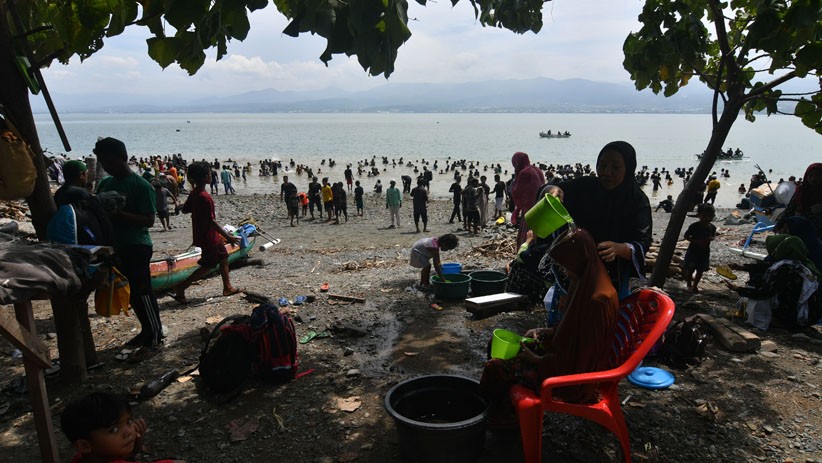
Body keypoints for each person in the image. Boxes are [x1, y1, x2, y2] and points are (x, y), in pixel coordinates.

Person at [479, 228, 618, 427]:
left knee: (495, 368)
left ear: (578, 260)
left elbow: (582, 360)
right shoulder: (584, 281)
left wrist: (536, 360)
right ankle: (506, 407)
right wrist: (547, 332)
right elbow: (573, 332)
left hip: (572, 380)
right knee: (495, 343)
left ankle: (502, 418)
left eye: (565, 265)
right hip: (558, 359)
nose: (562, 270)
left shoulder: (598, 300)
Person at [540, 141, 651, 299]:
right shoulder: (585, 186)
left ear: (629, 168)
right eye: (602, 165)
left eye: (616, 167)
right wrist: (552, 191)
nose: (607, 172)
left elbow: (642, 242)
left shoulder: (637, 201)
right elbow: (550, 189)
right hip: (573, 268)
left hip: (612, 274)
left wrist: (619, 248)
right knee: (569, 311)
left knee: (602, 312)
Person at [94, 138, 164, 363]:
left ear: (124, 158)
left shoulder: (140, 186)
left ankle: (155, 335)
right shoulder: (105, 185)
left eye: (110, 161)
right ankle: (146, 330)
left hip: (137, 245)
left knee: (143, 290)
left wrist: (118, 215)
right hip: (114, 246)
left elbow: (148, 220)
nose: (107, 166)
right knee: (131, 292)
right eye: (103, 162)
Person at [172, 161, 240, 303]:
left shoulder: (195, 193)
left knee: (223, 257)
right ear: (204, 177)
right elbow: (211, 221)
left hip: (206, 234)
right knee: (209, 264)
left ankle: (227, 287)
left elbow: (185, 210)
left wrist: (183, 206)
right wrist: (229, 236)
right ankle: (181, 287)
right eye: (209, 174)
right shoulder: (205, 197)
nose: (211, 176)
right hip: (208, 236)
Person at [61, 391, 185, 463]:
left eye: (129, 422)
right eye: (113, 430)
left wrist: (137, 438)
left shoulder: (85, 458)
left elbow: (129, 455)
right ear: (84, 445)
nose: (128, 432)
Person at [511, 152, 546, 247]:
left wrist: (517, 209)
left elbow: (517, 193)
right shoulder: (537, 170)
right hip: (540, 207)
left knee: (526, 237)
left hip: (529, 210)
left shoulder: (524, 173)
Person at [681, 203, 716, 292]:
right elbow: (686, 236)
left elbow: (712, 236)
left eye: (710, 216)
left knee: (700, 270)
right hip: (694, 250)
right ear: (698, 215)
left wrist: (711, 239)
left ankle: (695, 285)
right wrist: (696, 242)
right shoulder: (694, 226)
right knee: (691, 268)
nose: (707, 218)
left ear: (713, 216)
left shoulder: (712, 227)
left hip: (704, 251)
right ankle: (689, 284)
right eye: (704, 216)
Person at [783, 163, 822, 236]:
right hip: (798, 228)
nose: (813, 179)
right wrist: (781, 224)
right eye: (811, 176)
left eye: (817, 176)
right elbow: (790, 209)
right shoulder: (801, 191)